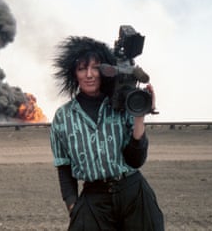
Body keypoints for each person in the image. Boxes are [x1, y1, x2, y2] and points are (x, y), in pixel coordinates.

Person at [50, 36, 164, 230]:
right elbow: (64, 168)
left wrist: (139, 116)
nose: (89, 74)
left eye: (95, 67)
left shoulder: (120, 105)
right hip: (94, 199)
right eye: (82, 69)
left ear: (105, 71)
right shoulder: (63, 117)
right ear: (73, 74)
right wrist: (73, 206)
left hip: (133, 194)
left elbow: (136, 160)